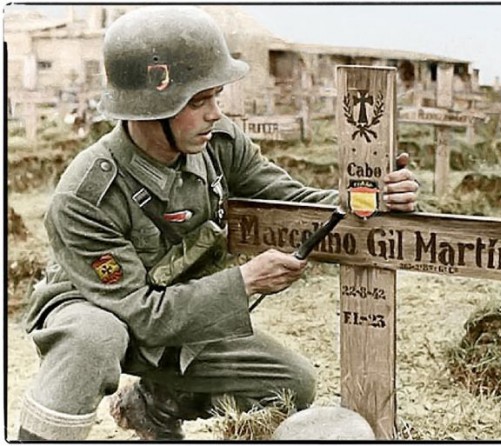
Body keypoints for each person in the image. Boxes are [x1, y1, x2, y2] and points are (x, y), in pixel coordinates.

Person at [17, 6, 420, 441]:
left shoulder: (218, 143)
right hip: (100, 307)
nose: (214, 113)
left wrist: (371, 198)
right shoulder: (87, 196)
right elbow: (143, 315)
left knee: (291, 383)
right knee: (94, 338)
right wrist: (246, 280)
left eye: (215, 96)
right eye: (197, 101)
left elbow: (293, 203)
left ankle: (154, 404)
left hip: (182, 308)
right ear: (150, 109)